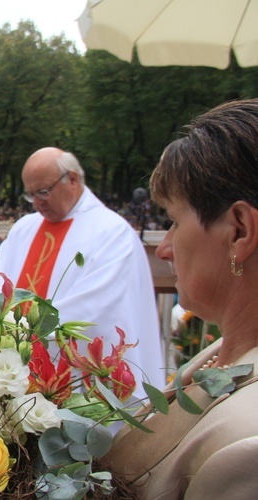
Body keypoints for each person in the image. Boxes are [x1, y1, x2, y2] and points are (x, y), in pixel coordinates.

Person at [104, 99, 258, 497]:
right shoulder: (221, 353)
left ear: (239, 231)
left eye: (173, 220)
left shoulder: (248, 448)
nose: (165, 247)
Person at [0, 147, 164, 394]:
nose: (38, 203)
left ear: (73, 179)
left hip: (78, 387)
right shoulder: (24, 229)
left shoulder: (112, 233)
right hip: (15, 376)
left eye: (43, 192)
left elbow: (95, 315)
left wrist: (20, 336)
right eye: (30, 195)